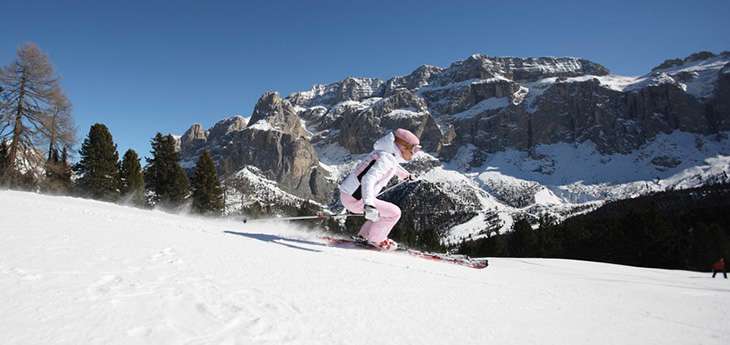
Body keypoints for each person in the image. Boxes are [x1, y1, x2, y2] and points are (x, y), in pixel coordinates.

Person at [339, 128, 421, 250]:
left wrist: (406, 176)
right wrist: (369, 204)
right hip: (356, 199)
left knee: (381, 212)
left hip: (350, 194)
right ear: (403, 146)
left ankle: (364, 236)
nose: (414, 154)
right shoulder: (386, 159)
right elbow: (368, 179)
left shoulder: (385, 154)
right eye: (414, 149)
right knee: (394, 213)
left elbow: (393, 168)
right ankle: (377, 240)